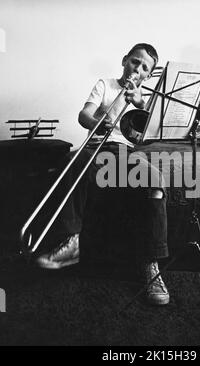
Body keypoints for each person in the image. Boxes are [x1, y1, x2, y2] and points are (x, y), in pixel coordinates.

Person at [35, 43, 170, 306]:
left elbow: (144, 138)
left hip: (124, 152)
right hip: (95, 145)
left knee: (155, 180)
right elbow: (83, 115)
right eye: (135, 62)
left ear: (148, 76)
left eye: (145, 68)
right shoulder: (105, 85)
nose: (137, 69)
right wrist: (97, 121)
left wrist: (139, 103)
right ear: (124, 60)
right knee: (70, 163)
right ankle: (71, 241)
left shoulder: (145, 99)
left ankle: (150, 263)